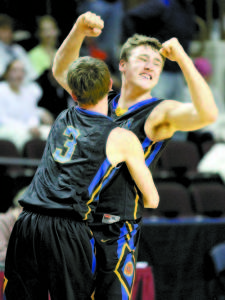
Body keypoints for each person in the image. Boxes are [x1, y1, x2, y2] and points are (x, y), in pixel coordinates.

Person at [52, 11, 218, 299]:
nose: (151, 65)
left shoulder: (158, 112)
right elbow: (61, 71)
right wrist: (78, 30)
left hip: (115, 229)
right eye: (143, 59)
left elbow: (207, 114)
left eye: (157, 62)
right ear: (123, 65)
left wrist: (183, 61)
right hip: (74, 223)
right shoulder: (101, 100)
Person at [4, 52, 159, 299]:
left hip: (27, 223)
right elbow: (152, 200)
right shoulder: (122, 137)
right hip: (67, 227)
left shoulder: (61, 118)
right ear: (110, 85)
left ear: (74, 94)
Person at [0, 59, 53, 153]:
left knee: (51, 132)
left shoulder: (27, 92)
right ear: (7, 73)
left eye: (22, 71)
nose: (19, 74)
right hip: (7, 128)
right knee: (22, 136)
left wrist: (33, 126)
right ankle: (25, 166)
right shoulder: (1, 90)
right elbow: (2, 119)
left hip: (28, 128)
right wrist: (27, 128)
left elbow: (32, 114)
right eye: (15, 70)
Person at [0, 14, 37, 82]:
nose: (8, 32)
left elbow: (32, 73)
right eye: (4, 29)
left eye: (9, 29)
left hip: (22, 85)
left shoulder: (18, 49)